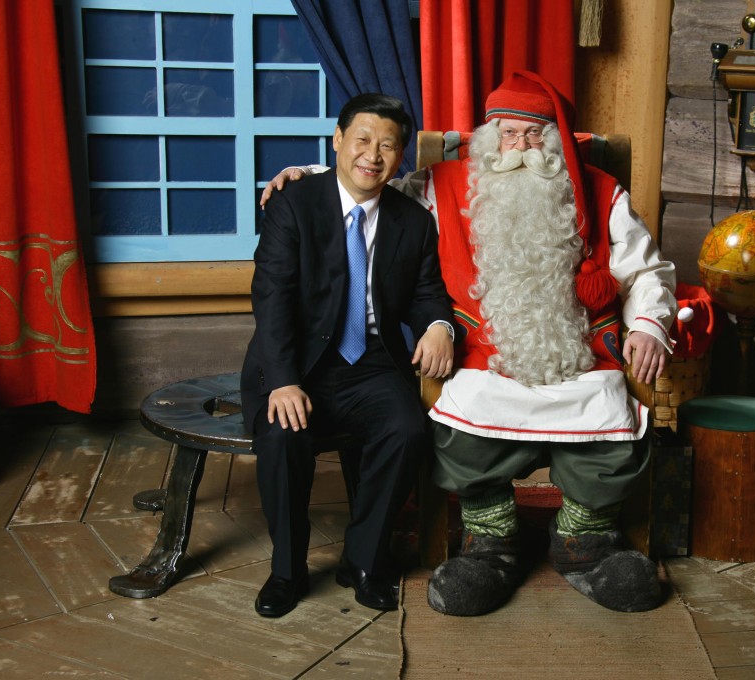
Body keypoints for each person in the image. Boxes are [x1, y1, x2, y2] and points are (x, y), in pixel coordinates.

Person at [262, 71, 677, 616]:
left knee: (606, 426)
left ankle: (585, 543)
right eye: (509, 134)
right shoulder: (442, 183)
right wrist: (310, 175)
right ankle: (490, 544)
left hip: (580, 358)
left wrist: (648, 324)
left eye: (535, 135)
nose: (522, 148)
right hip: (482, 359)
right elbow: (369, 188)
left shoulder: (601, 191)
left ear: (557, 140)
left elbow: (646, 270)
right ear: (489, 138)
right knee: (463, 429)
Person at [241, 93, 454, 618]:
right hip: (299, 362)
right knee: (283, 435)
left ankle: (364, 561)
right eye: (362, 140)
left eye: (387, 146)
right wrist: (284, 380)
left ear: (401, 155)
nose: (372, 156)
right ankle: (287, 570)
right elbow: (271, 299)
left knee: (407, 429)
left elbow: (428, 294)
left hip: (373, 361)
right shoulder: (294, 203)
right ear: (337, 141)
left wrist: (440, 326)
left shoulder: (413, 221)